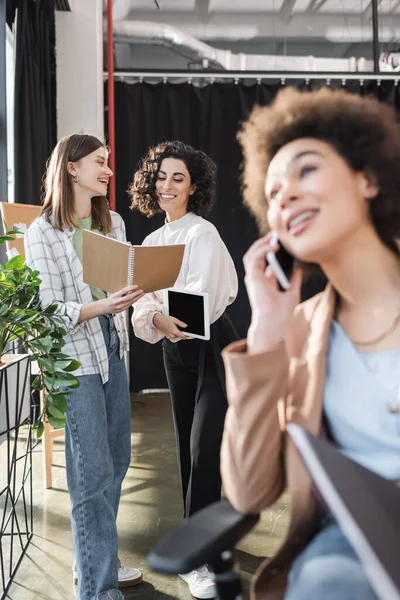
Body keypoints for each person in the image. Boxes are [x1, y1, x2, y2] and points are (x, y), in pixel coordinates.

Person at [220, 87, 400, 600]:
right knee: (326, 582)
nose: (285, 197)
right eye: (272, 193)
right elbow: (249, 490)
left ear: (367, 177)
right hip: (358, 547)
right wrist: (266, 334)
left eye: (305, 171)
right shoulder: (298, 331)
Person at [24, 134, 145, 600]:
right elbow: (49, 311)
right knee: (91, 473)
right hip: (74, 362)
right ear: (71, 168)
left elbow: (120, 283)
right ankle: (98, 591)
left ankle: (96, 560)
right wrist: (103, 306)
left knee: (117, 461)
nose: (109, 171)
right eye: (101, 162)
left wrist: (134, 293)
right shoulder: (42, 234)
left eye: (109, 162)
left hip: (113, 349)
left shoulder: (111, 221)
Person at [130, 140, 238, 599]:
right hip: (176, 353)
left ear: (194, 187)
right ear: (151, 186)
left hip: (212, 347)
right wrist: (155, 317)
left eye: (178, 178)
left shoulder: (203, 235)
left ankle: (199, 559)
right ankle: (207, 541)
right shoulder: (151, 242)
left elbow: (202, 301)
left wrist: (162, 313)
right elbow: (141, 304)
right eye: (161, 177)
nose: (168, 186)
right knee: (185, 450)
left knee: (204, 449)